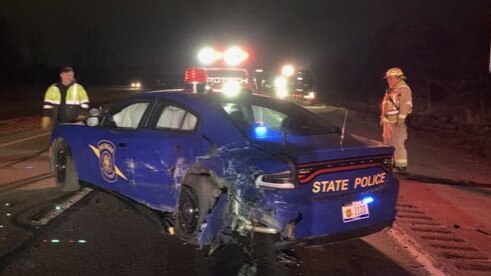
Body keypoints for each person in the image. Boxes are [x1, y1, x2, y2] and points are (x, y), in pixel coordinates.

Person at [380, 67, 413, 172]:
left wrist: (400, 121)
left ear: (398, 78)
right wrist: (382, 117)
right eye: (388, 78)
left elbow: (406, 105)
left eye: (391, 78)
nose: (388, 80)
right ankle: (391, 164)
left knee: (397, 143)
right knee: (387, 143)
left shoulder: (403, 88)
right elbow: (385, 104)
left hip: (396, 123)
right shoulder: (390, 89)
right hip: (388, 122)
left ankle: (401, 166)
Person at [41, 66, 90, 130]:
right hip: (58, 121)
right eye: (68, 74)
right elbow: (47, 105)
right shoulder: (53, 88)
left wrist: (82, 115)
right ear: (62, 75)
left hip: (74, 121)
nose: (70, 76)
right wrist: (46, 117)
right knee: (58, 138)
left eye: (72, 74)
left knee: (74, 138)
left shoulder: (78, 88)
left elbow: (85, 103)